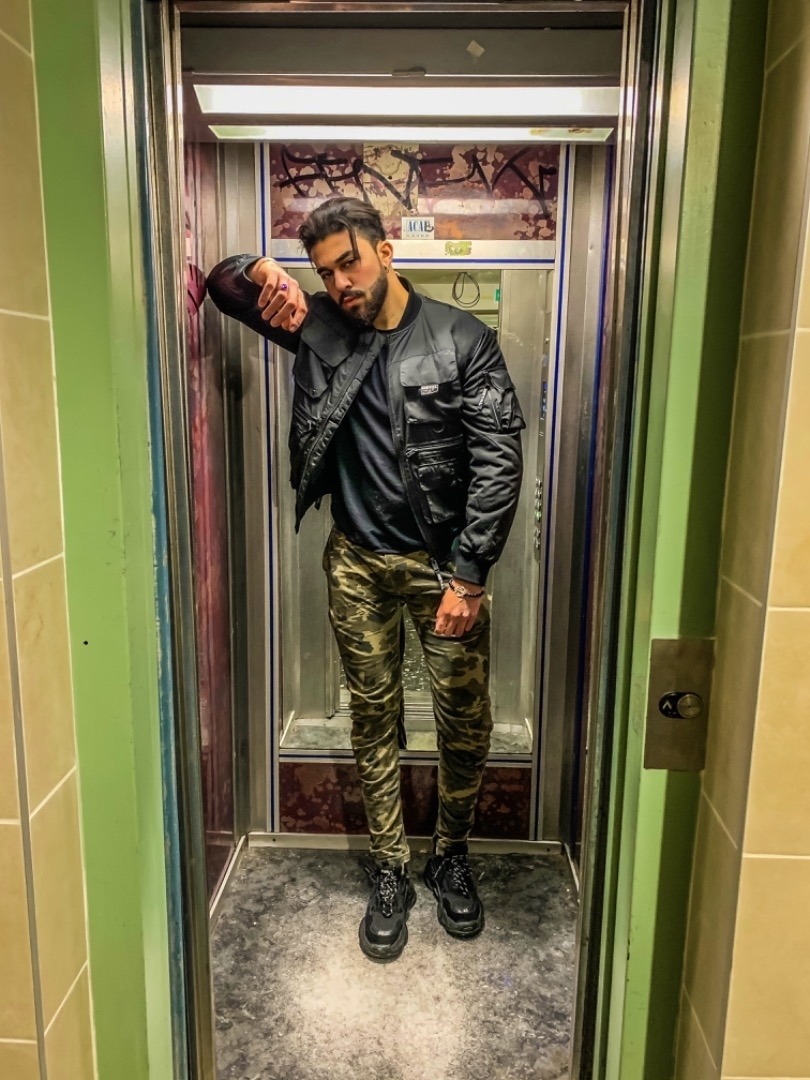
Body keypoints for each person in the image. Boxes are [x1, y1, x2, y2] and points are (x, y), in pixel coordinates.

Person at [207, 196, 525, 961]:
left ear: (385, 251)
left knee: (465, 722)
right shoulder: (322, 326)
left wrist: (471, 576)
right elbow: (224, 288)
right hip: (355, 562)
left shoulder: (462, 338)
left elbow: (499, 460)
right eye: (325, 273)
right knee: (373, 717)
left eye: (349, 263)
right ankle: (390, 867)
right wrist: (259, 269)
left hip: (443, 568)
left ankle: (450, 855)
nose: (340, 283)